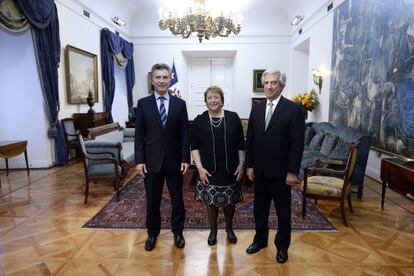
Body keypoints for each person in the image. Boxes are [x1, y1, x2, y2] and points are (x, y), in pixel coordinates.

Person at [245, 69, 304, 263]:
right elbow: (251, 140)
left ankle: (282, 247)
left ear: (282, 85)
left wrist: (292, 172)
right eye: (267, 83)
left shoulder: (294, 109)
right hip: (259, 172)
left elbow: (297, 144)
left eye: (274, 83)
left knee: (283, 213)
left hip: (281, 174)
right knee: (259, 211)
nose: (269, 87)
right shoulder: (257, 109)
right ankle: (260, 241)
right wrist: (249, 165)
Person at [135, 63, 190, 251]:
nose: (161, 81)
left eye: (165, 77)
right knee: (152, 200)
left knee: (177, 199)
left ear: (170, 79)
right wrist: (139, 160)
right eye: (158, 77)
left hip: (175, 161)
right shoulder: (143, 104)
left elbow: (184, 134)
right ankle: (152, 233)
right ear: (152, 80)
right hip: (151, 162)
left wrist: (185, 158)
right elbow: (139, 135)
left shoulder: (180, 104)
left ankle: (178, 231)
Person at [191, 86, 245, 246]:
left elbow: (241, 144)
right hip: (208, 169)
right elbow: (194, 147)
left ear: (222, 100)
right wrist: (199, 168)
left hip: (231, 168)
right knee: (211, 203)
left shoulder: (233, 117)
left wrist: (242, 164)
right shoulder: (199, 120)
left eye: (216, 97)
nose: (213, 100)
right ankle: (213, 230)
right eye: (209, 98)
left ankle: (229, 228)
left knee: (230, 202)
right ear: (205, 101)